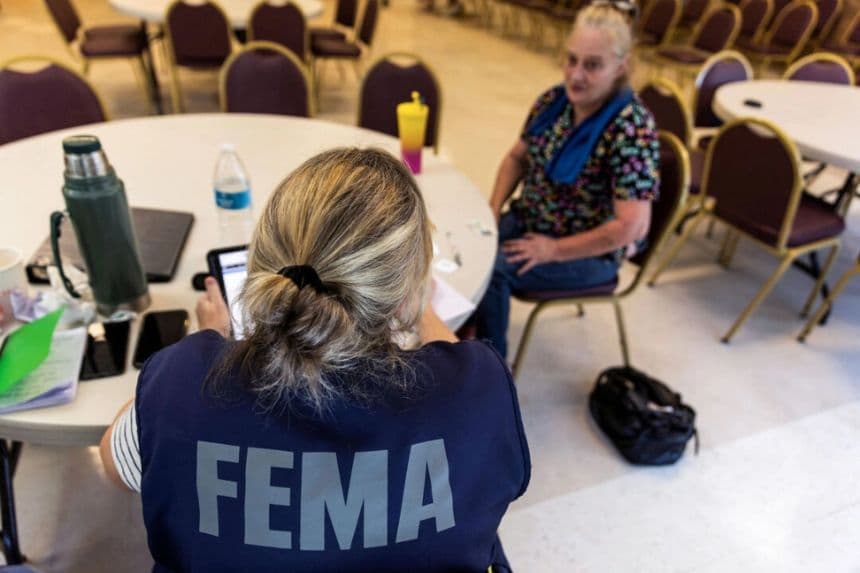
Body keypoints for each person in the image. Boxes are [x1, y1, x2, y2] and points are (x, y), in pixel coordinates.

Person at [99, 148, 530, 572]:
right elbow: (452, 361)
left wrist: (208, 338)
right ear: (400, 297)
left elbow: (115, 465)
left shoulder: (182, 383)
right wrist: (416, 305)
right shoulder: (479, 391)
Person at [474, 1, 659, 359]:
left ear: (621, 66)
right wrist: (493, 208)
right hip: (532, 218)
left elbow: (630, 227)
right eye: (571, 60)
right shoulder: (554, 102)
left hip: (590, 250)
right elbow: (516, 157)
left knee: (493, 271)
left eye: (592, 65)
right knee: (472, 242)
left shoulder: (632, 128)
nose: (575, 75)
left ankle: (490, 376)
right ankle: (460, 346)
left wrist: (553, 250)